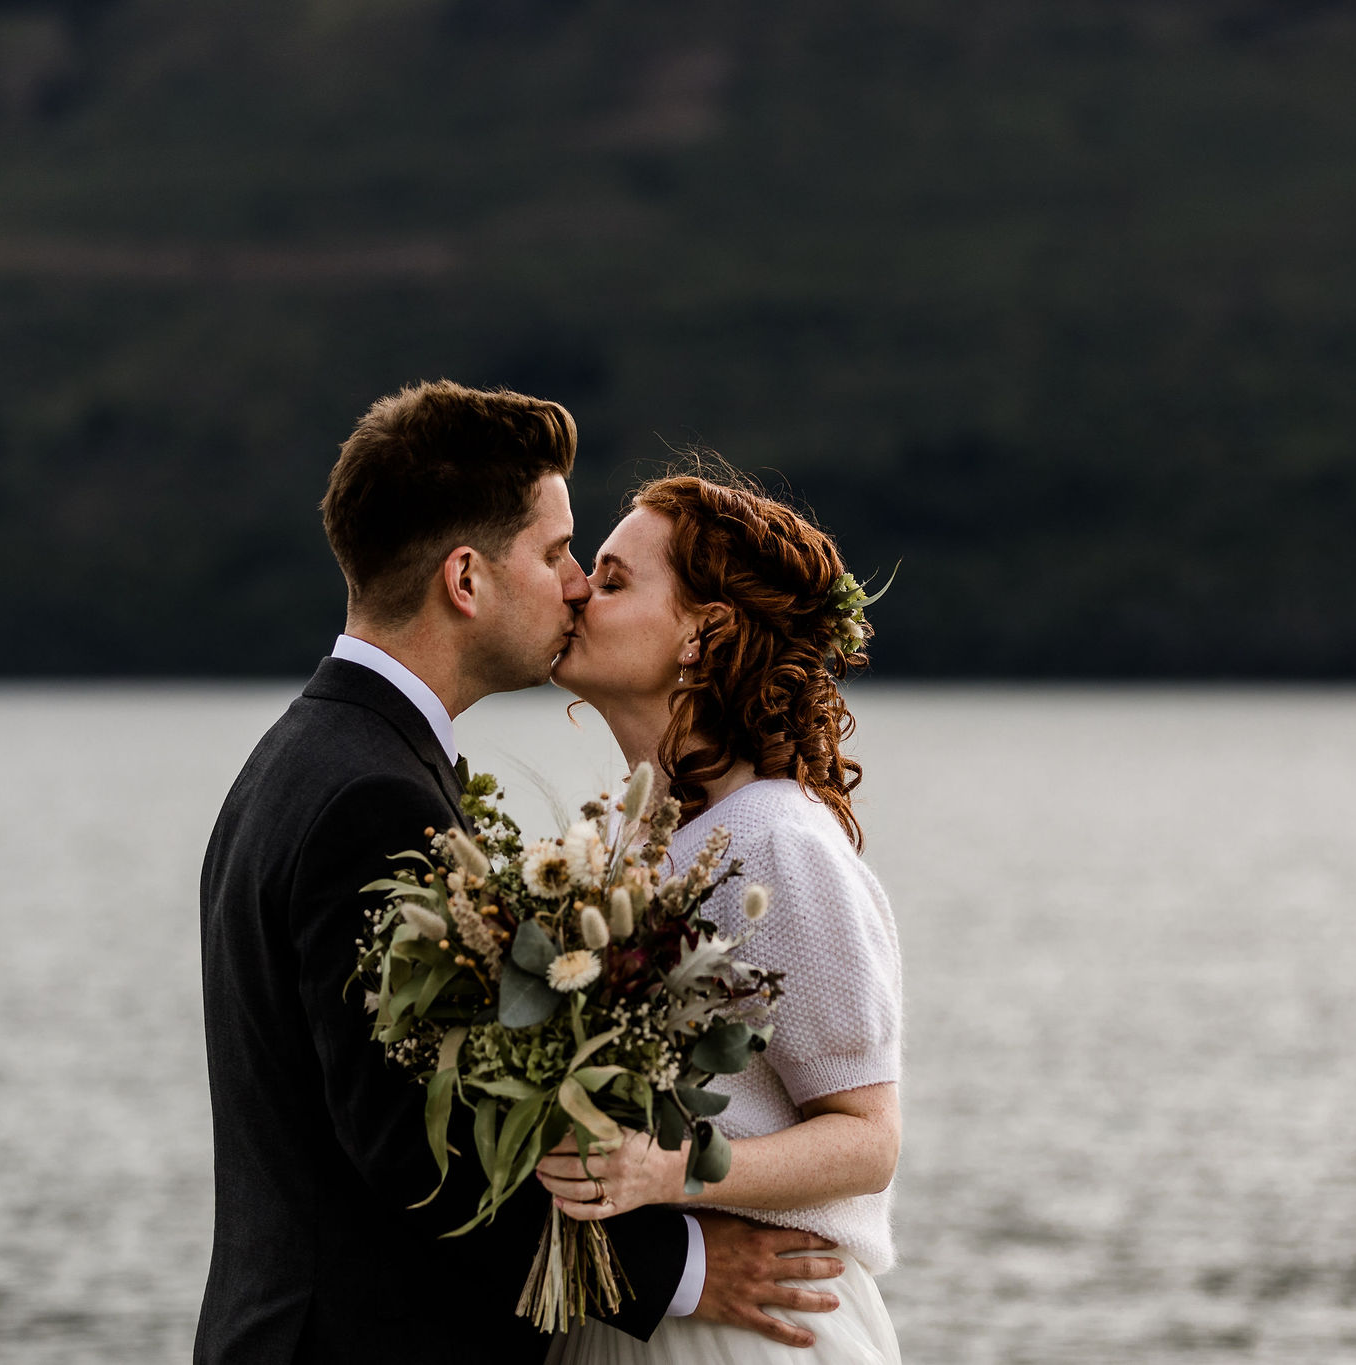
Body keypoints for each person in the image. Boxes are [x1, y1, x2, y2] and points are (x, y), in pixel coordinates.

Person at [194, 384, 848, 1365]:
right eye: (554, 554)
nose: (576, 584)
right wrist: (686, 1273)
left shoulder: (307, 758)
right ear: (465, 579)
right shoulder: (369, 799)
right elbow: (416, 1158)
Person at [538, 471, 906, 1364]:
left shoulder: (776, 840)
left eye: (616, 579)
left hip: (749, 1327)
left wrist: (675, 1168)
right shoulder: (626, 835)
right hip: (628, 1306)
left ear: (702, 634)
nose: (579, 589)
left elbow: (869, 1137)